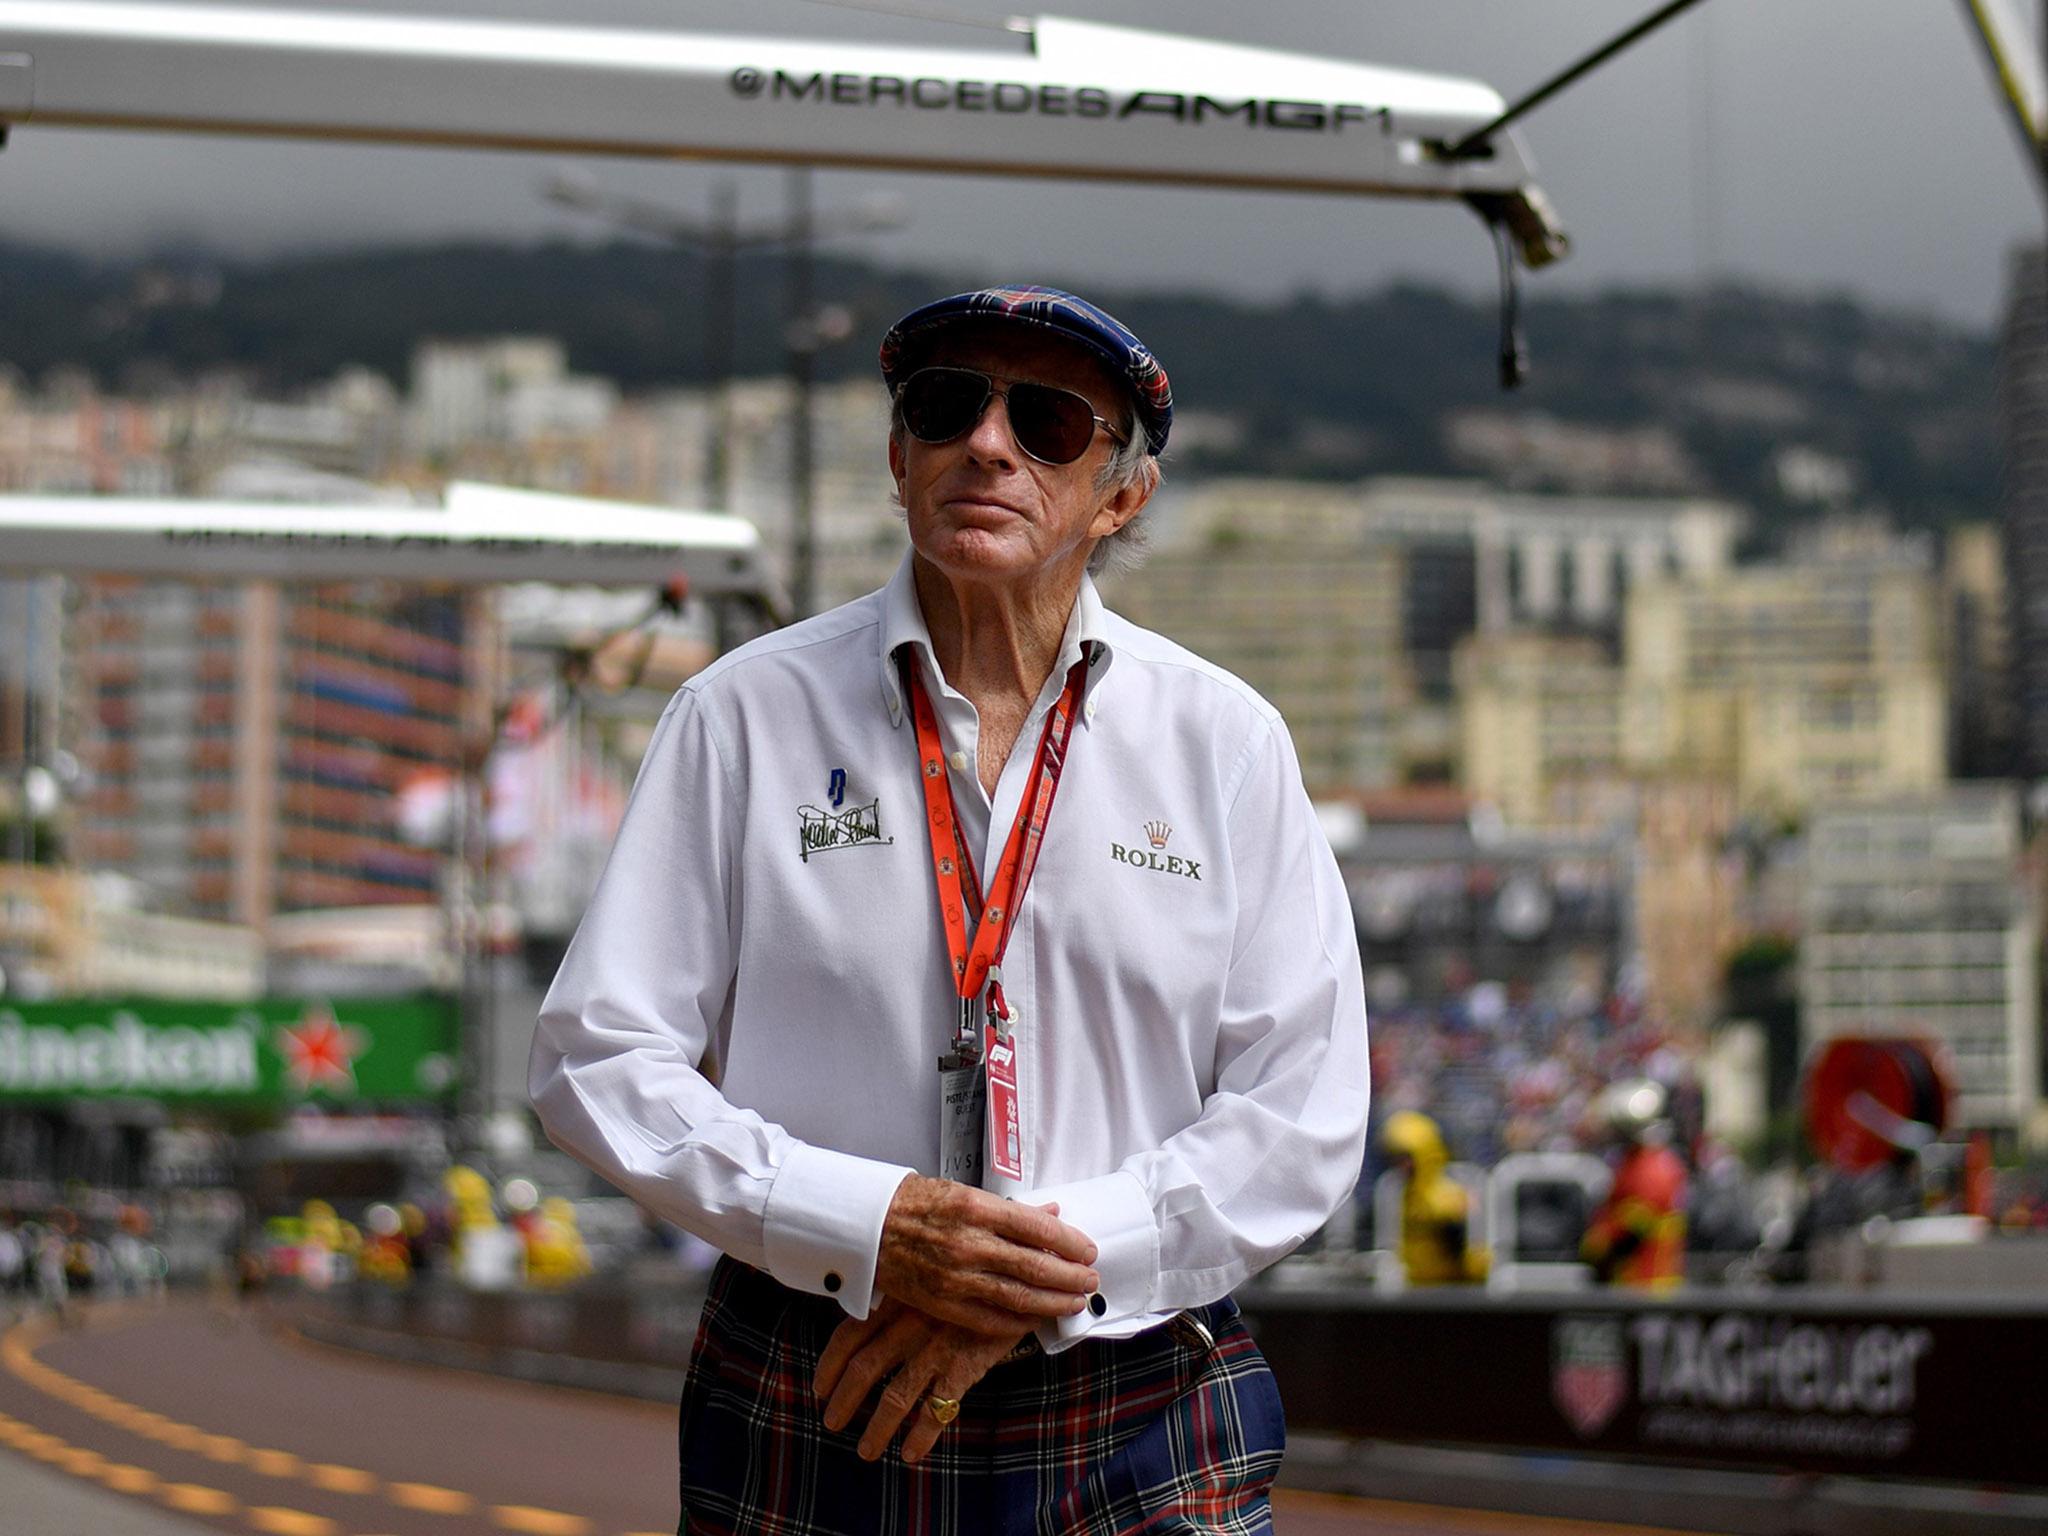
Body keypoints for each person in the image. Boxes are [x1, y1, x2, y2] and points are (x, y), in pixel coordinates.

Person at [530, 285, 1369, 1533]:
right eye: (944, 408)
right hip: (820, 1370)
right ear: (896, 457)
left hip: (1132, 1386)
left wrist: (1028, 1270)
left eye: (1045, 422)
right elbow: (593, 1057)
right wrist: (861, 1224)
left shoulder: (1223, 742)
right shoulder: (739, 715)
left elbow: (1303, 1109)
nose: (987, 443)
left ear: (1120, 498)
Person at [1580, 1078, 1688, 1290]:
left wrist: (1597, 1243)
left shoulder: (1649, 1168)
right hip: (1636, 1281)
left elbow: (1630, 1227)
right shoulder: (1640, 1162)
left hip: (1644, 1282)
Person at [1379, 1110, 1487, 1285]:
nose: (1401, 1165)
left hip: (1450, 1289)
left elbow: (1472, 1255)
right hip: (1414, 1287)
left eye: (1406, 1158)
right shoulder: (1397, 1193)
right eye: (1396, 1158)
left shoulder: (1450, 1195)